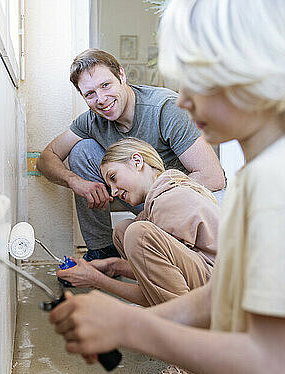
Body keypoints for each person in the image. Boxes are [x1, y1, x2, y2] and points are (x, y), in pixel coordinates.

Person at [49, 0, 285, 374]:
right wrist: (121, 319)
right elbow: (224, 294)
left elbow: (275, 366)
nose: (182, 99)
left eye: (197, 77)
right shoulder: (267, 171)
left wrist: (132, 327)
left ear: (254, 70)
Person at [36, 49, 225, 262]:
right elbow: (46, 158)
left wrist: (154, 207)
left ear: (122, 76)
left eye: (105, 85)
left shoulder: (164, 108)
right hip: (148, 201)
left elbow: (213, 177)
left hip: (191, 197)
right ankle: (102, 250)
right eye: (90, 94)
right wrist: (74, 181)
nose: (101, 99)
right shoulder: (91, 121)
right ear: (82, 96)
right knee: (81, 151)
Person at [57, 138, 219, 307]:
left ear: (137, 161)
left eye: (113, 177)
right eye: (109, 185)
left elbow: (176, 301)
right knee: (123, 230)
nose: (113, 191)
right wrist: (112, 266)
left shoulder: (170, 200)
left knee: (138, 234)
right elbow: (163, 282)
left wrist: (96, 279)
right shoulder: (158, 201)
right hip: (209, 282)